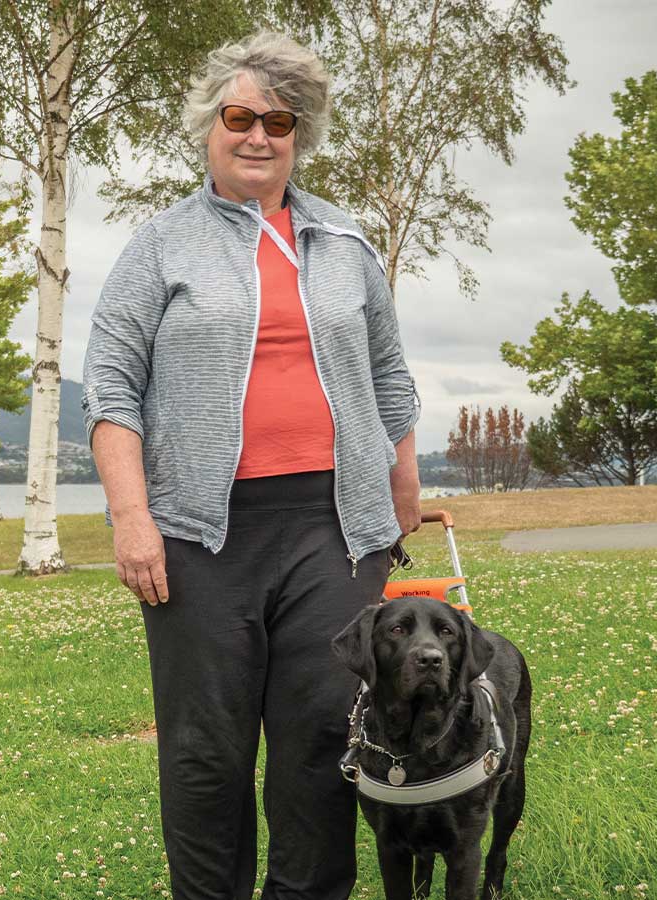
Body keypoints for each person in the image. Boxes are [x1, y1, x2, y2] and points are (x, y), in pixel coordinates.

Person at [82, 30, 421, 900]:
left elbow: (387, 375)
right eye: (240, 117)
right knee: (206, 750)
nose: (259, 136)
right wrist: (132, 518)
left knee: (319, 739)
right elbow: (112, 387)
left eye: (281, 121)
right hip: (199, 535)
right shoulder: (160, 246)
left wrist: (401, 488)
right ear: (209, 128)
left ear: (300, 136)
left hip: (333, 532)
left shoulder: (345, 244)